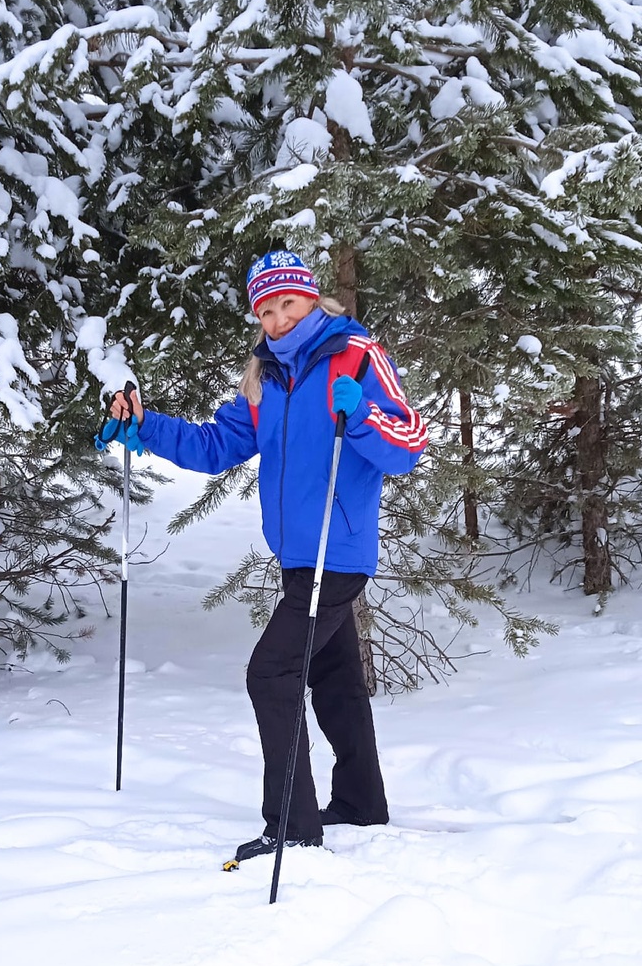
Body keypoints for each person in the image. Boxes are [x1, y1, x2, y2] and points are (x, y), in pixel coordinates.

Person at [108, 250, 428, 864]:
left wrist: (359, 416)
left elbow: (409, 443)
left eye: (288, 303)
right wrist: (145, 426)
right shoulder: (266, 375)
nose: (279, 319)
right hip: (297, 557)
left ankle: (291, 825)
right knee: (332, 677)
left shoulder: (357, 355)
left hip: (337, 553)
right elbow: (215, 445)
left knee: (270, 674)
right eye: (267, 309)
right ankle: (361, 802)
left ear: (312, 299)